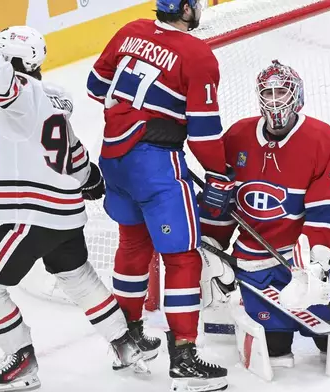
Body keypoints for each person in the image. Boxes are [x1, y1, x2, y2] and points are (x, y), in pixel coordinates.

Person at [0, 2, 148, 391]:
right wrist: (89, 176)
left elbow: (0, 81)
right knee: (77, 276)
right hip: (66, 213)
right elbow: (73, 148)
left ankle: (21, 360)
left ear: (12, 61)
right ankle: (126, 343)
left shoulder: (19, 92)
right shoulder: (55, 96)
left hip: (32, 213)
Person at [86, 0, 232, 390]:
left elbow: (95, 86)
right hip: (155, 165)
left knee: (133, 243)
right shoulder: (197, 53)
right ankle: (184, 358)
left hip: (113, 157)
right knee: (182, 256)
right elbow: (203, 133)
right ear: (185, 9)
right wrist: (220, 173)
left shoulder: (130, 30)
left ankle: (129, 338)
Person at [199, 60, 330, 372]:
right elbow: (220, 203)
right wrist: (212, 245)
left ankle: (328, 287)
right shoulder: (237, 137)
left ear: (297, 96)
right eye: (268, 92)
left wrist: (316, 263)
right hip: (256, 265)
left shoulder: (320, 139)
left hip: (302, 261)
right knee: (275, 350)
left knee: (329, 340)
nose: (274, 100)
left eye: (281, 92)